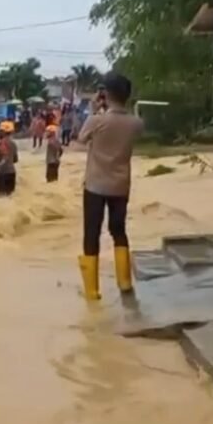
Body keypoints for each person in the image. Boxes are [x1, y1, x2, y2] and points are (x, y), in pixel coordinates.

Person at [76, 73, 144, 301]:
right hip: (120, 186)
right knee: (119, 231)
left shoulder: (96, 120)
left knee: (91, 234)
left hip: (95, 185)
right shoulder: (135, 122)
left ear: (105, 94)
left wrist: (95, 108)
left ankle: (92, 291)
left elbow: (80, 140)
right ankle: (125, 282)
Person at [0, 120, 18, 197]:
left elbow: (1, 158)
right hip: (12, 172)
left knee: (1, 197)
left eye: (0, 130)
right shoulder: (13, 144)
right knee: (10, 197)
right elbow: (15, 159)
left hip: (3, 173)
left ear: (3, 132)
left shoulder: (1, 143)